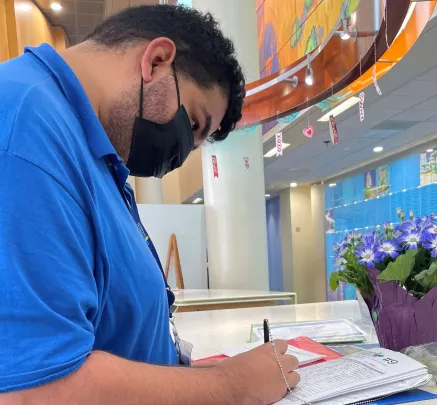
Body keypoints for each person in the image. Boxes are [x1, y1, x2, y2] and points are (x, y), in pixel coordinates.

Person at [0, 5, 299, 404]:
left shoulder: (94, 155)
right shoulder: (24, 130)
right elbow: (36, 390)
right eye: (193, 123)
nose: (182, 154)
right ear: (156, 61)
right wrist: (233, 386)